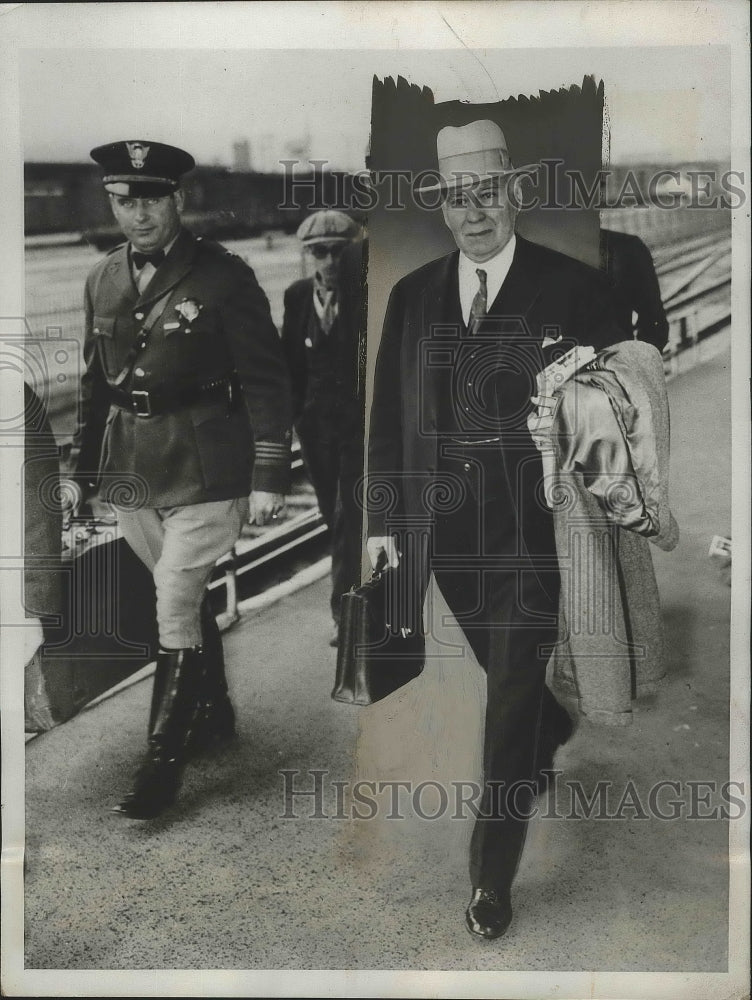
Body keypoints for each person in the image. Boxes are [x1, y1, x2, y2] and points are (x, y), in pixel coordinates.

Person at [366, 120, 623, 940]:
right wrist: (382, 523)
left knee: (507, 702)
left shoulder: (573, 288)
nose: (473, 212)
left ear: (515, 194)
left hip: (536, 533)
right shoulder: (413, 296)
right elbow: (387, 420)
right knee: (507, 678)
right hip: (447, 541)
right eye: (456, 198)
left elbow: (621, 405)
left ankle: (490, 876)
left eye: (487, 193)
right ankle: (554, 724)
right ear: (441, 208)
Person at [66, 140, 293, 819]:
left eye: (152, 199)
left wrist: (270, 470)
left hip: (206, 465)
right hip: (134, 470)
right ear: (113, 203)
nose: (139, 214)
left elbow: (265, 376)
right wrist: (80, 474)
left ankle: (160, 768)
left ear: (178, 200)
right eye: (125, 200)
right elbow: (92, 385)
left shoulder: (224, 277)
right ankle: (214, 709)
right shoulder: (101, 278)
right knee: (185, 598)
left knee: (172, 598)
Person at [281, 211, 365, 645]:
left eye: (339, 251)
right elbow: (290, 366)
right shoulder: (297, 298)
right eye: (320, 251)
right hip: (316, 432)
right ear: (308, 255)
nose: (330, 261)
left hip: (360, 430)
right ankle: (365, 599)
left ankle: (347, 617)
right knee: (334, 517)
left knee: (349, 517)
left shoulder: (369, 296)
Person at [601, 227, 669, 351]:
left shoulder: (626, 247)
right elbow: (655, 322)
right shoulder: (626, 246)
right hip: (614, 362)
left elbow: (654, 322)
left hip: (615, 363)